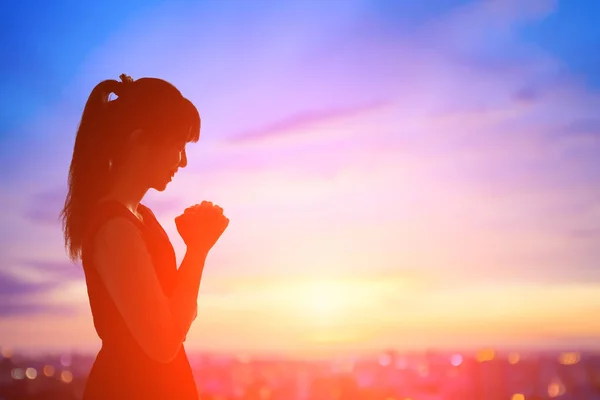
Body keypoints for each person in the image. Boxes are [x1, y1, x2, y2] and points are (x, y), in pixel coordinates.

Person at [60, 74, 229, 399]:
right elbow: (164, 342)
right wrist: (197, 249)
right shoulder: (116, 228)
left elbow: (173, 314)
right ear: (139, 141)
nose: (183, 161)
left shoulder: (141, 217)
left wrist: (197, 245)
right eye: (178, 147)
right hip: (133, 387)